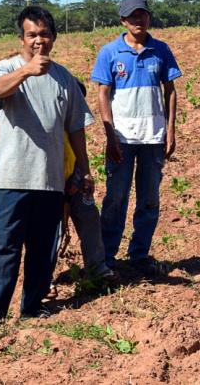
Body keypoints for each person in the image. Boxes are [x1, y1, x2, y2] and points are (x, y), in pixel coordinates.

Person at [0, 6, 94, 329]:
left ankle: (33, 304)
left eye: (44, 34)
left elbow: (76, 129)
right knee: (5, 245)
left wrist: (84, 169)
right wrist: (27, 71)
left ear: (53, 37)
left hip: (50, 179)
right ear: (21, 38)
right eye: (32, 35)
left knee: (42, 247)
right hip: (14, 176)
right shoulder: (6, 68)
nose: (39, 40)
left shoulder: (65, 78)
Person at [92, 0, 181, 276]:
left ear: (149, 18)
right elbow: (103, 94)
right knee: (116, 198)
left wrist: (171, 130)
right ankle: (107, 257)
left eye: (142, 15)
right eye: (132, 17)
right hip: (122, 139)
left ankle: (139, 254)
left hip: (153, 139)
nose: (138, 21)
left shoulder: (161, 50)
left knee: (149, 199)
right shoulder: (110, 53)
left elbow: (171, 91)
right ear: (123, 21)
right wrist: (109, 135)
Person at [49, 78, 118, 293]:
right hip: (50, 181)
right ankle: (43, 279)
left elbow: (79, 152)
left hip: (75, 176)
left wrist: (82, 176)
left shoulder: (74, 126)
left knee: (89, 217)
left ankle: (97, 268)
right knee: (51, 229)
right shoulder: (49, 125)